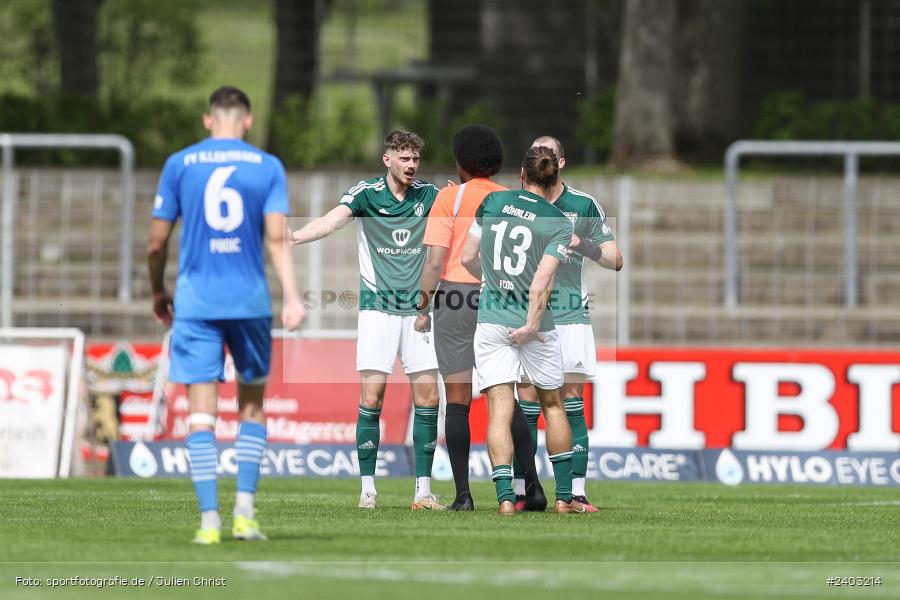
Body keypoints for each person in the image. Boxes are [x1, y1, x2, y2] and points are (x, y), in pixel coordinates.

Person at [147, 86, 305, 544]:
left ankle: (209, 522)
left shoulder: (179, 164)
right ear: (248, 121)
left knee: (201, 415)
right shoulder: (268, 166)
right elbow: (277, 240)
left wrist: (159, 291)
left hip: (196, 304)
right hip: (250, 302)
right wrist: (292, 297)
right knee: (251, 407)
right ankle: (245, 516)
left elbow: (156, 244)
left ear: (207, 119)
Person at [290, 130, 444, 510]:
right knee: (372, 398)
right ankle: (368, 490)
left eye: (415, 159)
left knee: (429, 398)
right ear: (386, 158)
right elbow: (330, 221)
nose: (411, 165)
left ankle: (423, 491)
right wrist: (293, 237)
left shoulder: (430, 196)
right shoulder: (365, 194)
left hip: (420, 313)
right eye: (404, 158)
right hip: (377, 311)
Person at [415, 124, 546, 512]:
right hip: (502, 296)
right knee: (504, 398)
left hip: (455, 296)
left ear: (460, 162)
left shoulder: (449, 198)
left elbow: (436, 260)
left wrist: (423, 306)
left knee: (457, 402)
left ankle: (463, 495)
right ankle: (533, 486)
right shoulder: (511, 198)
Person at [460, 145, 584, 515]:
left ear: (522, 173)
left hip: (492, 319)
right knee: (553, 405)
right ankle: (564, 499)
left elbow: (467, 257)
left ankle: (504, 500)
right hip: (537, 326)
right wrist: (530, 324)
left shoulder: (494, 203)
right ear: (554, 177)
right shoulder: (559, 221)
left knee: (499, 410)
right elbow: (542, 280)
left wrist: (493, 282)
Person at [516, 135, 623, 512]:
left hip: (570, 316)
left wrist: (583, 244)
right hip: (527, 314)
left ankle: (575, 493)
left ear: (561, 162)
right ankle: (524, 489)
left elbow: (615, 258)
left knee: (570, 400)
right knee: (526, 402)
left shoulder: (582, 204)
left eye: (546, 155)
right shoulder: (516, 204)